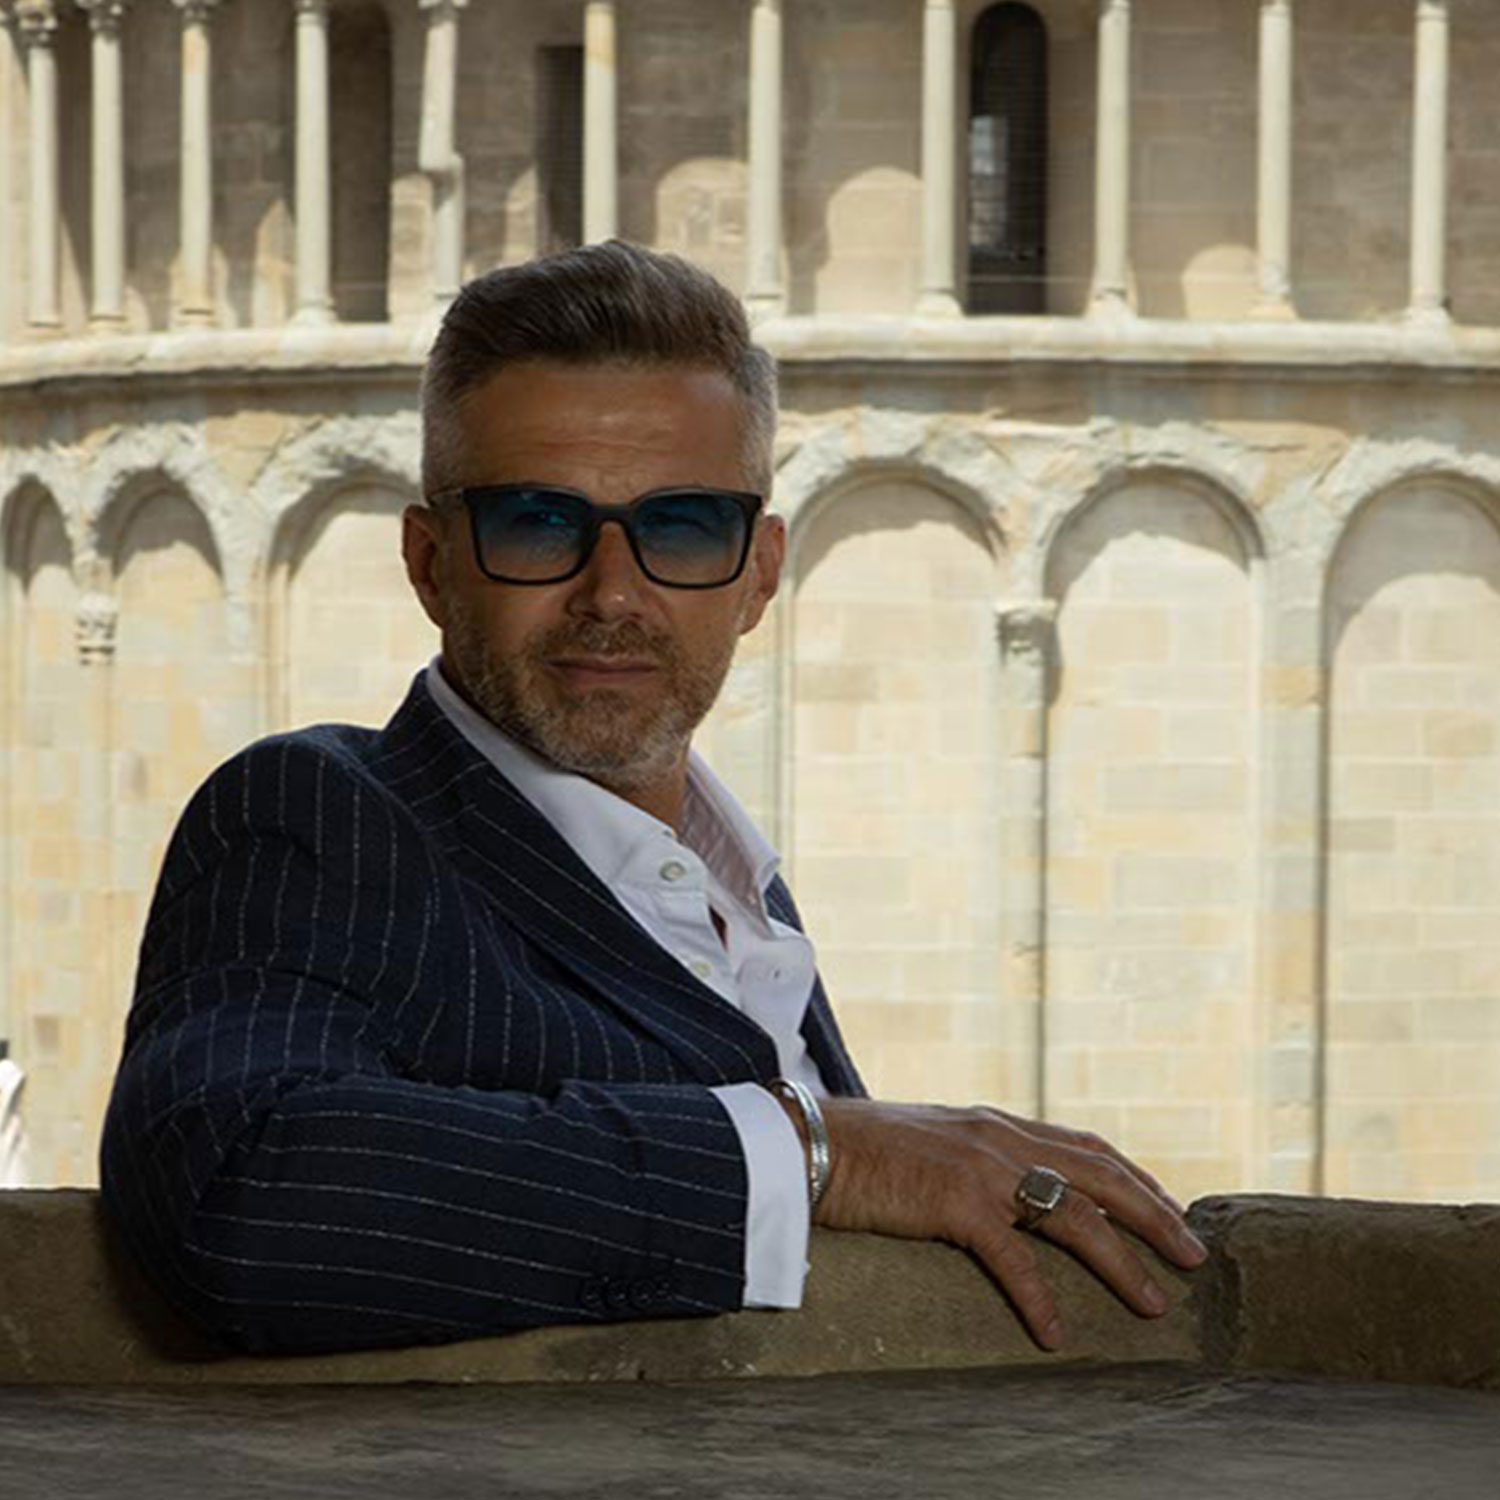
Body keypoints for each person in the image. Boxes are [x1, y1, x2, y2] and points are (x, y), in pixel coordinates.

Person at [100, 241, 1206, 1356]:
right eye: (538, 522)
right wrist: (822, 1149)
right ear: (432, 563)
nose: (613, 594)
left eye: (681, 526)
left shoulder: (736, 892)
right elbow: (238, 1193)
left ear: (758, 573)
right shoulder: (320, 819)